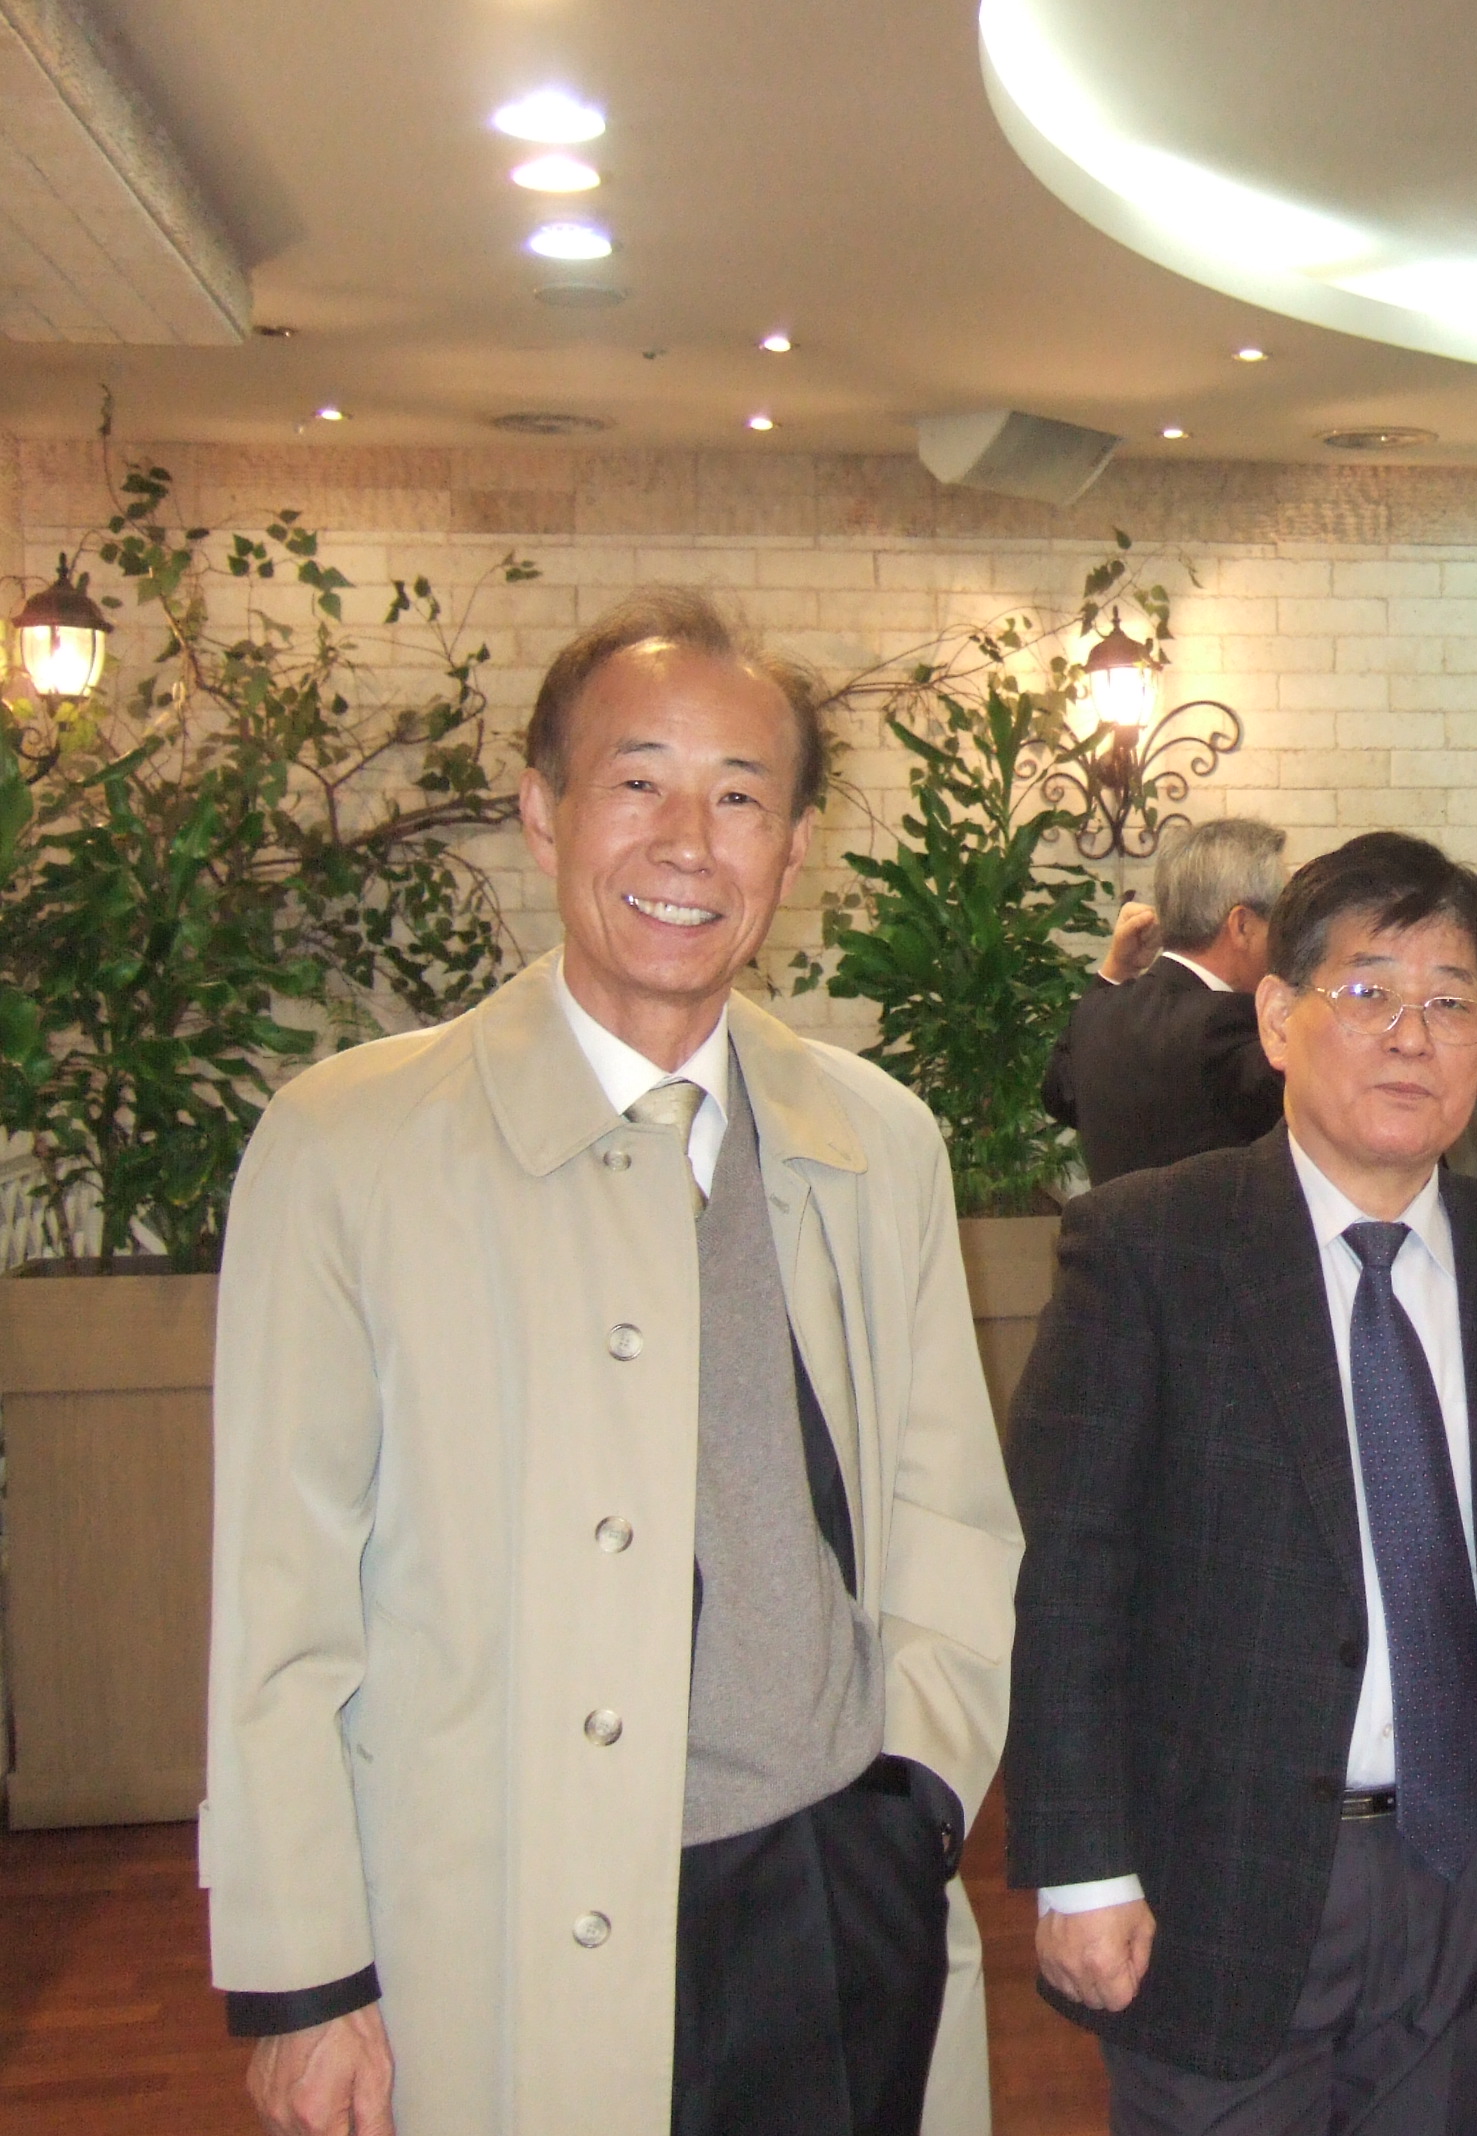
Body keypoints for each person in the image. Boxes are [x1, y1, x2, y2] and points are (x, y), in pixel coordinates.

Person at [204, 591, 1023, 2136]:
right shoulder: (349, 1148)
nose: (687, 843)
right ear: (543, 812)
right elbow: (278, 1602)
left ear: (793, 850)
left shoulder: (874, 1138)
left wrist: (913, 1797)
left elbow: (948, 1512)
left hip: (831, 1883)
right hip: (500, 1906)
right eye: (638, 782)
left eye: (741, 799)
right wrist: (306, 1976)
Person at [1004, 830, 1477, 2136]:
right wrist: (1080, 1867)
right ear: (1277, 1018)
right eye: (1367, 990)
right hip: (1217, 1882)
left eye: (1450, 1002)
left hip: (1473, 1876)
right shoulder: (1153, 1246)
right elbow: (1068, 1575)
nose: (1410, 1035)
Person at [1043, 816, 1289, 1186]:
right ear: (1241, 925)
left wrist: (1115, 969)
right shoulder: (1233, 1023)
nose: (1289, 937)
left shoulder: (1097, 1012)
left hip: (1109, 1226)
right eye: (1283, 919)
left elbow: (1057, 1096)